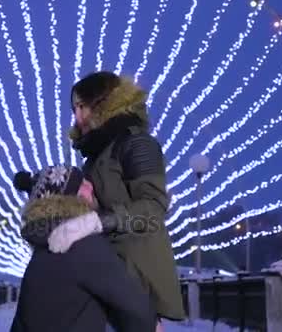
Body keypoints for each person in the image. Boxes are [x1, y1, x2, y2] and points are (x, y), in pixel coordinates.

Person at [47, 71, 186, 329]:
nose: (77, 117)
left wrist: (95, 221)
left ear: (103, 103)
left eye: (82, 107)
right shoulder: (97, 154)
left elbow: (153, 208)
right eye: (74, 109)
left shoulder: (137, 143)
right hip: (108, 269)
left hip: (136, 272)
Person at [10, 165, 156, 332]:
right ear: (69, 198)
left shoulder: (41, 252)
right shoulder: (83, 244)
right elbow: (138, 310)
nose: (91, 186)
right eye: (82, 184)